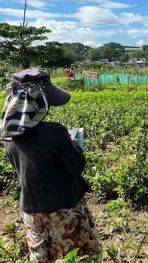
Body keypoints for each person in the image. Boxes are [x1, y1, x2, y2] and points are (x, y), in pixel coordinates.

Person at [1, 68, 102, 262]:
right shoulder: (55, 132)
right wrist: (75, 146)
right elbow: (76, 166)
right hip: (63, 209)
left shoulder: (8, 137)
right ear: (38, 103)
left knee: (42, 257)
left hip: (30, 210)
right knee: (81, 256)